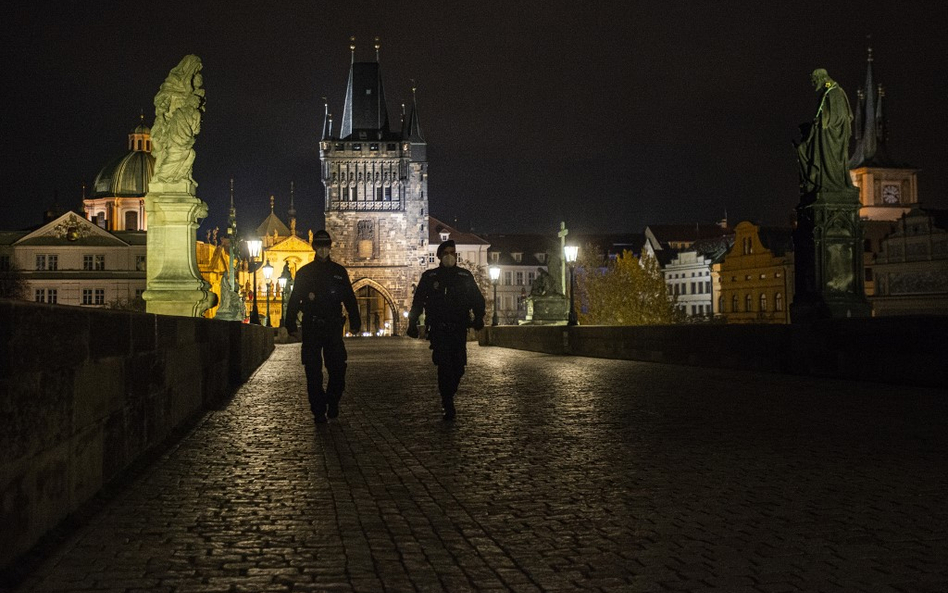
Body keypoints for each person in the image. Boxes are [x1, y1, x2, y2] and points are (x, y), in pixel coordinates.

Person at [284, 230, 361, 424]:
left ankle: (332, 400)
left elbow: (349, 299)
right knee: (313, 372)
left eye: (326, 246)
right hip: (312, 327)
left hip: (333, 328)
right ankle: (318, 410)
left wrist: (355, 321)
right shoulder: (305, 272)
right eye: (320, 246)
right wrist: (290, 323)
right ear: (315, 248)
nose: (323, 250)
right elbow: (294, 300)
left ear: (330, 247)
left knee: (337, 370)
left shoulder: (338, 272)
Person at [407, 240, 486, 420]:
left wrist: (479, 317)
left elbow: (477, 299)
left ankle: (449, 394)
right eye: (446, 253)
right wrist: (412, 323)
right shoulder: (430, 277)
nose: (450, 256)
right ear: (440, 256)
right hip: (439, 329)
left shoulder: (464, 276)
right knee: (444, 366)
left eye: (453, 252)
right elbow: (418, 302)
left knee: (458, 368)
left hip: (458, 328)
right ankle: (447, 400)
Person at [795, 68, 855, 195]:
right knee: (803, 149)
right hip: (824, 134)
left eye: (814, 81)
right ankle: (815, 181)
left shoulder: (834, 92)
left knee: (818, 155)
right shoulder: (828, 91)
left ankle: (827, 182)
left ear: (821, 78)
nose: (813, 84)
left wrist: (822, 121)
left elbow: (841, 117)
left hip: (831, 137)